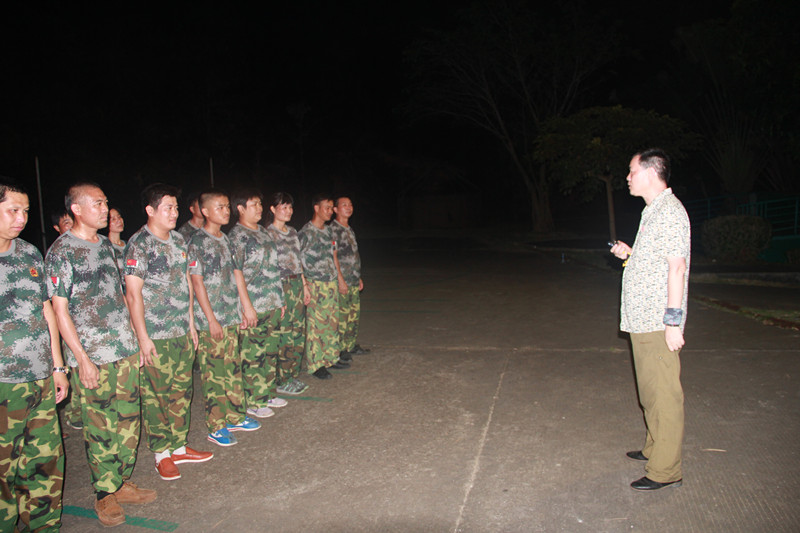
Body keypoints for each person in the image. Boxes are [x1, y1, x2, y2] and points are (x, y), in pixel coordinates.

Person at [46, 182, 156, 527]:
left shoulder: (107, 245)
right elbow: (59, 310)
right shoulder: (62, 251)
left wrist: (137, 339)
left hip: (123, 347)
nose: (105, 208)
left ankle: (120, 481)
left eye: (106, 202)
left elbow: (120, 295)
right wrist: (81, 359)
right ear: (76, 209)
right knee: (100, 426)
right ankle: (104, 493)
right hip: (93, 353)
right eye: (97, 203)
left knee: (128, 420)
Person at [610, 148, 690, 491]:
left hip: (658, 322)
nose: (627, 177)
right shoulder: (653, 210)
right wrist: (631, 254)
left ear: (651, 172)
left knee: (664, 396)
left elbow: (677, 268)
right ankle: (654, 448)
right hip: (644, 320)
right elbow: (656, 263)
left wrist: (673, 323)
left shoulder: (669, 212)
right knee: (650, 393)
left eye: (632, 171)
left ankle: (665, 470)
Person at [124, 184, 213, 481]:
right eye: (168, 208)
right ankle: (161, 454)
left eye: (176, 207)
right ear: (150, 210)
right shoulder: (139, 244)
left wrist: (191, 323)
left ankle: (178, 446)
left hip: (180, 331)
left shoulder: (179, 241)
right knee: (157, 396)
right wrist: (142, 338)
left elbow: (187, 283)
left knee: (181, 392)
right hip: (155, 334)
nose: (174, 213)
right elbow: (133, 294)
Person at [0, 182, 69, 532]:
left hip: (39, 376)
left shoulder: (28, 253)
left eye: (25, 210)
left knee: (45, 462)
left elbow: (46, 310)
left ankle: (45, 525)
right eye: (13, 210)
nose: (22, 218)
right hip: (3, 384)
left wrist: (57, 365)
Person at [188, 189, 261, 447]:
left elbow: (237, 274)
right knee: (214, 374)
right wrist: (210, 320)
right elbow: (197, 283)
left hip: (230, 315)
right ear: (205, 211)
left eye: (227, 206)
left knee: (232, 368)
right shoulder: (197, 242)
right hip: (212, 319)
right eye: (220, 207)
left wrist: (245, 307)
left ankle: (235, 415)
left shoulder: (226, 239)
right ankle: (216, 426)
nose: (226, 211)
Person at [228, 189, 287, 418]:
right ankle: (254, 399)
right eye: (254, 204)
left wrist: (280, 299)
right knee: (253, 354)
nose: (260, 208)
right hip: (254, 304)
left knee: (270, 351)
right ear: (240, 208)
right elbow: (237, 273)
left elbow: (274, 267)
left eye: (260, 204)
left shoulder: (263, 232)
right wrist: (246, 306)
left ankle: (268, 392)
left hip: (272, 301)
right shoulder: (237, 236)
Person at [299, 194, 347, 380]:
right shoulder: (305, 233)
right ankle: (316, 364)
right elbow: (297, 261)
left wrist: (339, 279)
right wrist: (305, 285)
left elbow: (333, 256)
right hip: (315, 284)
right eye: (326, 207)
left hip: (331, 282)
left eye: (331, 207)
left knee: (332, 322)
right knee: (316, 326)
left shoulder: (328, 231)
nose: (329, 211)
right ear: (316, 208)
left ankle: (331, 357)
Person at [265, 193, 310, 394]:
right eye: (283, 207)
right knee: (284, 332)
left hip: (296, 284)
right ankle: (282, 379)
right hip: (281, 285)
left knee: (298, 331)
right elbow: (269, 267)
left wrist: (305, 286)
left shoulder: (292, 232)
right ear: (272, 209)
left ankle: (292, 373)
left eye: (290, 207)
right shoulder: (268, 234)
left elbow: (298, 261)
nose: (288, 211)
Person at [50, 209, 82, 432]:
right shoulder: (57, 254)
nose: (70, 226)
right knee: (73, 367)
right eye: (65, 223)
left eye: (72, 222)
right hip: (67, 321)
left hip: (84, 324)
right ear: (57, 228)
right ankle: (73, 411)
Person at [331, 196, 369, 360]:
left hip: (353, 279)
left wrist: (358, 277)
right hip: (343, 281)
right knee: (342, 316)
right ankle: (340, 350)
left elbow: (354, 255)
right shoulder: (333, 230)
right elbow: (333, 257)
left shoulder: (349, 229)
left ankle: (350, 345)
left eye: (350, 204)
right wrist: (340, 279)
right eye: (344, 205)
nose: (348, 207)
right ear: (335, 209)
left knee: (353, 316)